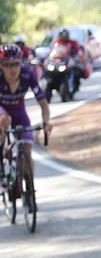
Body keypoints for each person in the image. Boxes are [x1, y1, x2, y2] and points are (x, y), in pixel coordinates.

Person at [0, 44, 51, 174]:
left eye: (16, 64)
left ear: (21, 63)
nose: (12, 69)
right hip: (2, 110)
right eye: (7, 65)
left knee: (27, 148)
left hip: (19, 112)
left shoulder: (28, 75)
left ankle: (29, 189)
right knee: (4, 120)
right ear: (1, 66)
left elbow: (43, 104)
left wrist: (46, 122)